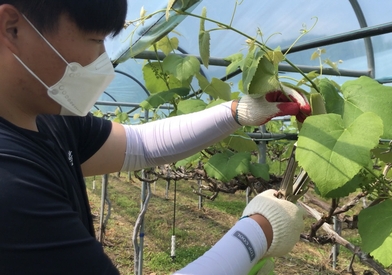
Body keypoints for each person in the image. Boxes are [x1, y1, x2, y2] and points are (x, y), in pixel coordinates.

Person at [0, 1, 311, 274]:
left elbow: (140, 144)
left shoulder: (48, 120)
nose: (102, 59)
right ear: (12, 28)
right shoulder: (10, 185)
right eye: (94, 39)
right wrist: (258, 232)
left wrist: (237, 112)